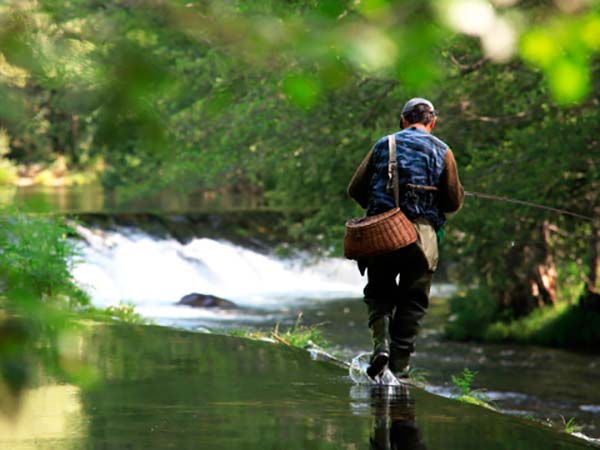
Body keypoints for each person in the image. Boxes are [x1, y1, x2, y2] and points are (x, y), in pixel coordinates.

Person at [347, 97, 464, 380]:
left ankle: (381, 346)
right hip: (422, 238)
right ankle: (400, 371)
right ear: (432, 122)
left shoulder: (383, 145)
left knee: (378, 293)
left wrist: (379, 206)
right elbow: (452, 203)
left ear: (403, 120)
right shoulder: (443, 151)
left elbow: (355, 189)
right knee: (413, 302)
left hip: (381, 234)